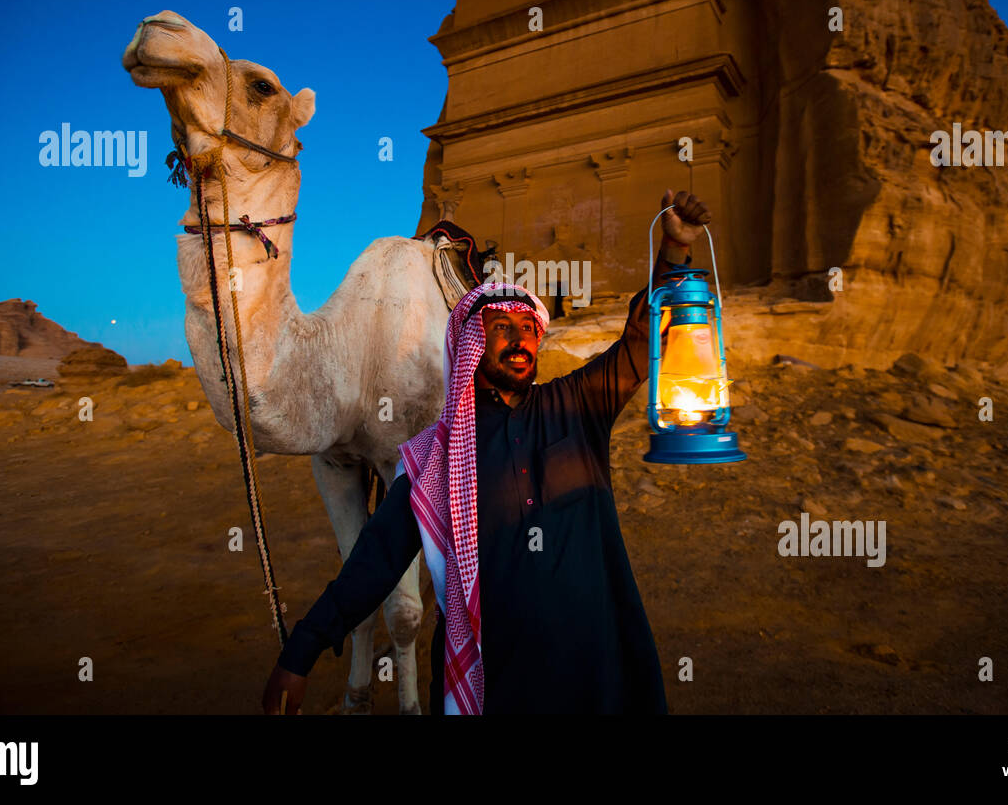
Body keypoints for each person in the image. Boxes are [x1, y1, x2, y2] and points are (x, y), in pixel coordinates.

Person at [262, 189, 713, 714]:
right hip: (493, 679)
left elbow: (640, 341)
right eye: (502, 330)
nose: (520, 341)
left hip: (596, 666)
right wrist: (300, 653)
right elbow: (375, 561)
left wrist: (675, 250)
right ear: (473, 344)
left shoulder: (576, 406)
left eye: (528, 330)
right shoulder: (438, 458)